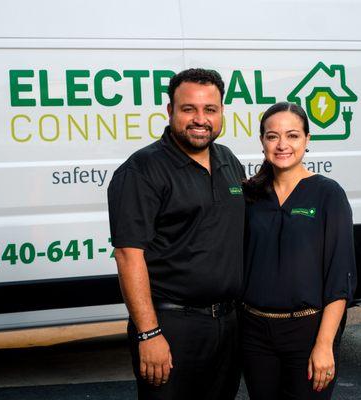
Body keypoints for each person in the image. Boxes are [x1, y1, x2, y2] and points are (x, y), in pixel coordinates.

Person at [107, 68, 245, 400]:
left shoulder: (227, 160)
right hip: (171, 326)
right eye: (189, 109)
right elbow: (129, 255)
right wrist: (148, 333)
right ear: (170, 111)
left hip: (228, 325)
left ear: (222, 111)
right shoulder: (142, 170)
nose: (201, 119)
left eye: (210, 109)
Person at [241, 102, 357, 400]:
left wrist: (324, 344)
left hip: (307, 332)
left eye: (292, 136)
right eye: (272, 136)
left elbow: (339, 277)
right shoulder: (250, 194)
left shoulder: (328, 194)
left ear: (307, 139)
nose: (282, 145)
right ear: (262, 141)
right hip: (254, 334)